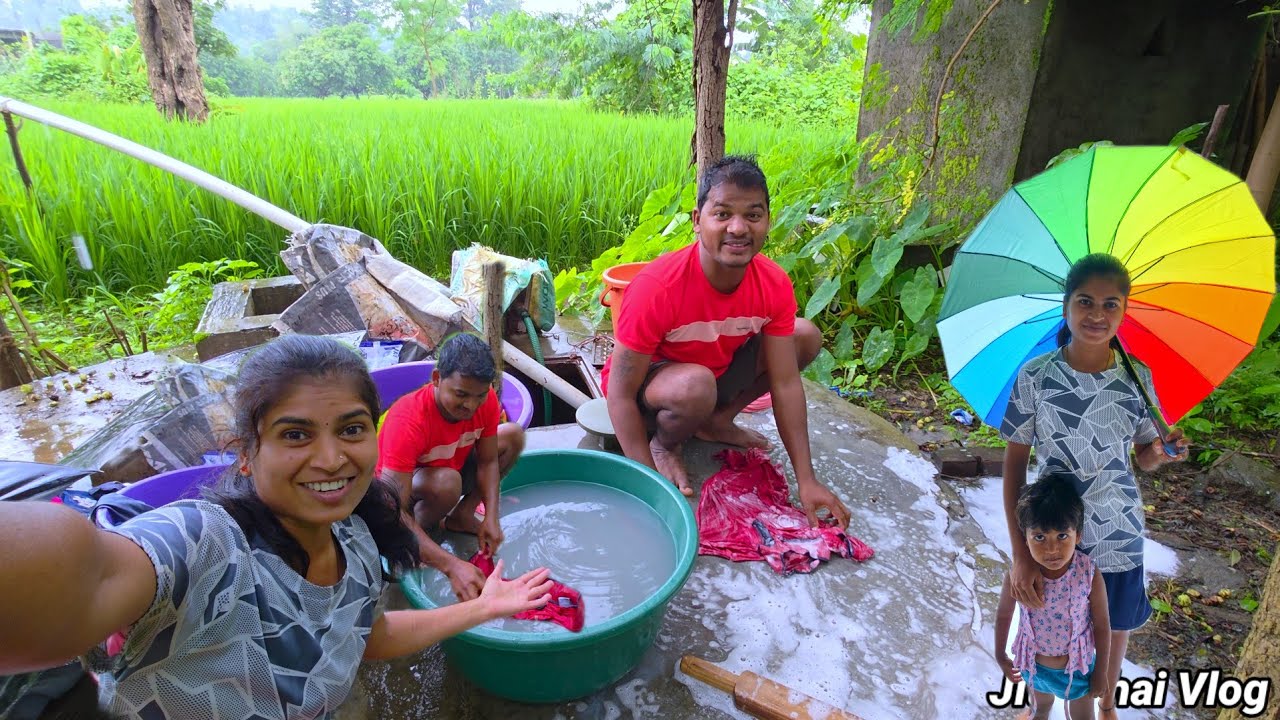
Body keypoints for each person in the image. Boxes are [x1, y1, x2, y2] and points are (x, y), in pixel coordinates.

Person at [0, 335, 551, 718]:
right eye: (295, 435)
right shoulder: (204, 543)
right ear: (245, 454)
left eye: (352, 428)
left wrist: (484, 608)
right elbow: (83, 572)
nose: (332, 458)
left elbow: (364, 637)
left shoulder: (357, 540)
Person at [603, 154, 849, 528]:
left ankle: (716, 421)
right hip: (655, 388)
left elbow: (784, 383)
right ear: (697, 221)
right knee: (694, 386)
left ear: (768, 221)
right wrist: (646, 479)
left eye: (753, 215)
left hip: (712, 376)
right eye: (722, 214)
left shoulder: (774, 284)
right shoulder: (658, 286)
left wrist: (807, 480)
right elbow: (619, 394)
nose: (738, 228)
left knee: (804, 335)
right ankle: (666, 443)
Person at [1000, 253, 1189, 717]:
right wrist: (1022, 553)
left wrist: (1161, 451)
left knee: (1114, 621)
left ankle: (1104, 700)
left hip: (1117, 526)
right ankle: (1042, 697)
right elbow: (1014, 468)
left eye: (1111, 305)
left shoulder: (1135, 378)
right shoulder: (1037, 376)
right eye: (1085, 302)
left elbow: (1143, 458)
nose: (1097, 315)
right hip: (1052, 529)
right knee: (1047, 615)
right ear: (1066, 306)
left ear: (1124, 312)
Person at [377, 332, 526, 602]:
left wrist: (492, 515)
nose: (470, 405)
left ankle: (461, 516)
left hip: (450, 467)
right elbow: (392, 508)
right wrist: (451, 565)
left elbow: (489, 460)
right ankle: (410, 543)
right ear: (436, 379)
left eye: (479, 395)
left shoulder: (486, 400)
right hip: (402, 494)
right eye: (460, 394)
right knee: (447, 483)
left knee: (513, 435)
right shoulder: (408, 419)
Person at [995, 472, 1112, 720]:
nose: (1051, 549)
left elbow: (1102, 625)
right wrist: (1000, 655)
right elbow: (1004, 614)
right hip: (1035, 669)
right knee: (1039, 711)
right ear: (1024, 539)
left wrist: (1101, 670)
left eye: (1062, 536)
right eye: (1039, 537)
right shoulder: (1018, 576)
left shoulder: (1088, 573)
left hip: (1077, 669)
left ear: (1077, 535)